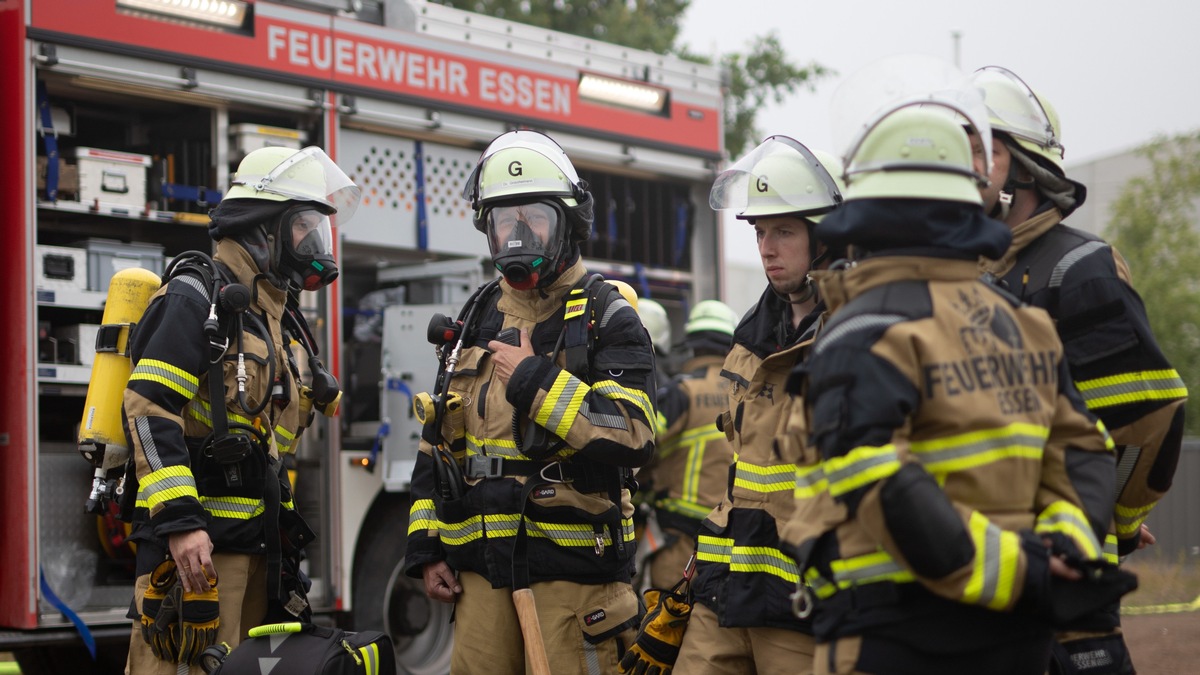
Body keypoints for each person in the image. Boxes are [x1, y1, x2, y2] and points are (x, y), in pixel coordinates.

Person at [781, 67, 1126, 675]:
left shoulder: (862, 331)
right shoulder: (1024, 323)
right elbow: (1083, 451)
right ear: (972, 199)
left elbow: (876, 475)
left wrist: (1020, 568)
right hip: (1020, 638)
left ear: (865, 205)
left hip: (896, 639)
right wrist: (1061, 550)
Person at [403, 130, 657, 674]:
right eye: (503, 220)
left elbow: (634, 432)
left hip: (574, 583)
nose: (518, 233)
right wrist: (427, 549)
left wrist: (533, 382)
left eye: (534, 217)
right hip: (481, 579)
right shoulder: (476, 318)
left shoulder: (606, 315)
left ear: (566, 222)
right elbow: (437, 445)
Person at [972, 65, 1187, 674]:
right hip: (976, 587)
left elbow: (1150, 418)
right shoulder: (961, 277)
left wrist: (1106, 528)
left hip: (1063, 600)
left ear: (1022, 168)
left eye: (979, 150)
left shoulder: (1076, 268)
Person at [121, 146, 360, 672]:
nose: (313, 243)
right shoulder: (193, 299)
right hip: (195, 555)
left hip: (255, 551)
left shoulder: (269, 314)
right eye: (303, 226)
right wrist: (181, 523)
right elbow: (147, 407)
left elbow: (271, 438)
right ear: (262, 228)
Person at [672, 136, 844, 675]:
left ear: (829, 236)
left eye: (785, 231)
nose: (766, 248)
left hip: (805, 599)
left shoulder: (857, 333)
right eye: (760, 231)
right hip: (728, 587)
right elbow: (743, 468)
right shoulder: (751, 333)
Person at [641, 300, 739, 590]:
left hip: (680, 535)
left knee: (668, 617)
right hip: (732, 527)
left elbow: (640, 445)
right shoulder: (745, 393)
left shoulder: (681, 392)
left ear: (692, 345)